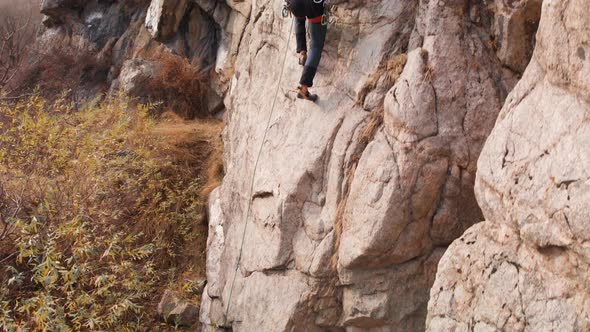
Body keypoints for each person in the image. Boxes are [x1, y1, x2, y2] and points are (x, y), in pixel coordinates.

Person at [286, 0, 327, 102]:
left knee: (299, 17)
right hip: (313, 5)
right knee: (316, 46)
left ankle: (302, 52)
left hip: (295, 4)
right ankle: (304, 88)